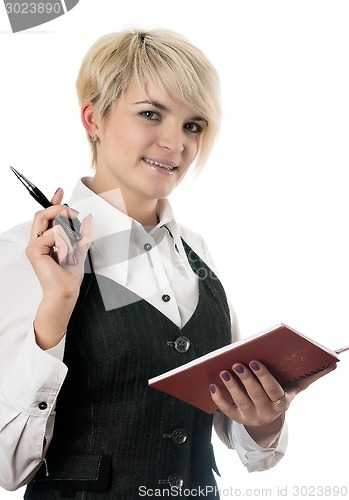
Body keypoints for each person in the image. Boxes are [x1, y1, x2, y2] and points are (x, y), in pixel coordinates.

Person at [0, 28, 335, 499]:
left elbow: (242, 442)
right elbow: (8, 466)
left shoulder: (198, 253)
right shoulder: (23, 254)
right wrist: (57, 304)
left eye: (193, 125)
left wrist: (265, 417)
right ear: (93, 117)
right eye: (151, 114)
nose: (174, 143)